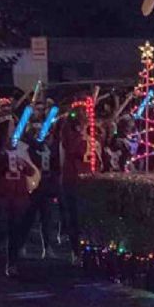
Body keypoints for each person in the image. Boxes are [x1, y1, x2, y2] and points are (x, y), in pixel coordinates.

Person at [0, 116, 40, 276]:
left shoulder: (22, 147)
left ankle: (12, 262)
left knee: (17, 229)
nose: (14, 130)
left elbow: (31, 169)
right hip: (2, 193)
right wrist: (3, 155)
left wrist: (25, 164)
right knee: (2, 228)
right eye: (11, 127)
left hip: (19, 194)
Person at [20, 122, 60, 258]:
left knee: (47, 218)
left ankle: (47, 247)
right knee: (28, 218)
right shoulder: (29, 148)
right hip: (33, 186)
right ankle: (22, 245)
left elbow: (55, 164)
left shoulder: (48, 147)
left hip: (46, 186)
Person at [59, 110, 90, 263]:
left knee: (83, 218)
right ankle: (76, 251)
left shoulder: (84, 138)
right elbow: (72, 150)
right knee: (75, 218)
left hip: (84, 180)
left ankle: (82, 250)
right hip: (73, 180)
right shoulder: (72, 138)